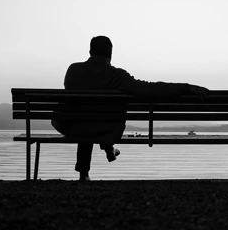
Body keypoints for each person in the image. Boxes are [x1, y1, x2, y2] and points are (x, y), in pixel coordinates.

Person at [52, 35, 209, 181]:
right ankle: (107, 147)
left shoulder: (73, 70)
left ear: (90, 51)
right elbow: (149, 89)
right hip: (104, 128)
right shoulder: (117, 75)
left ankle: (84, 173)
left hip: (70, 126)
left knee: (85, 115)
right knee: (96, 118)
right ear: (110, 53)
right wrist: (186, 87)